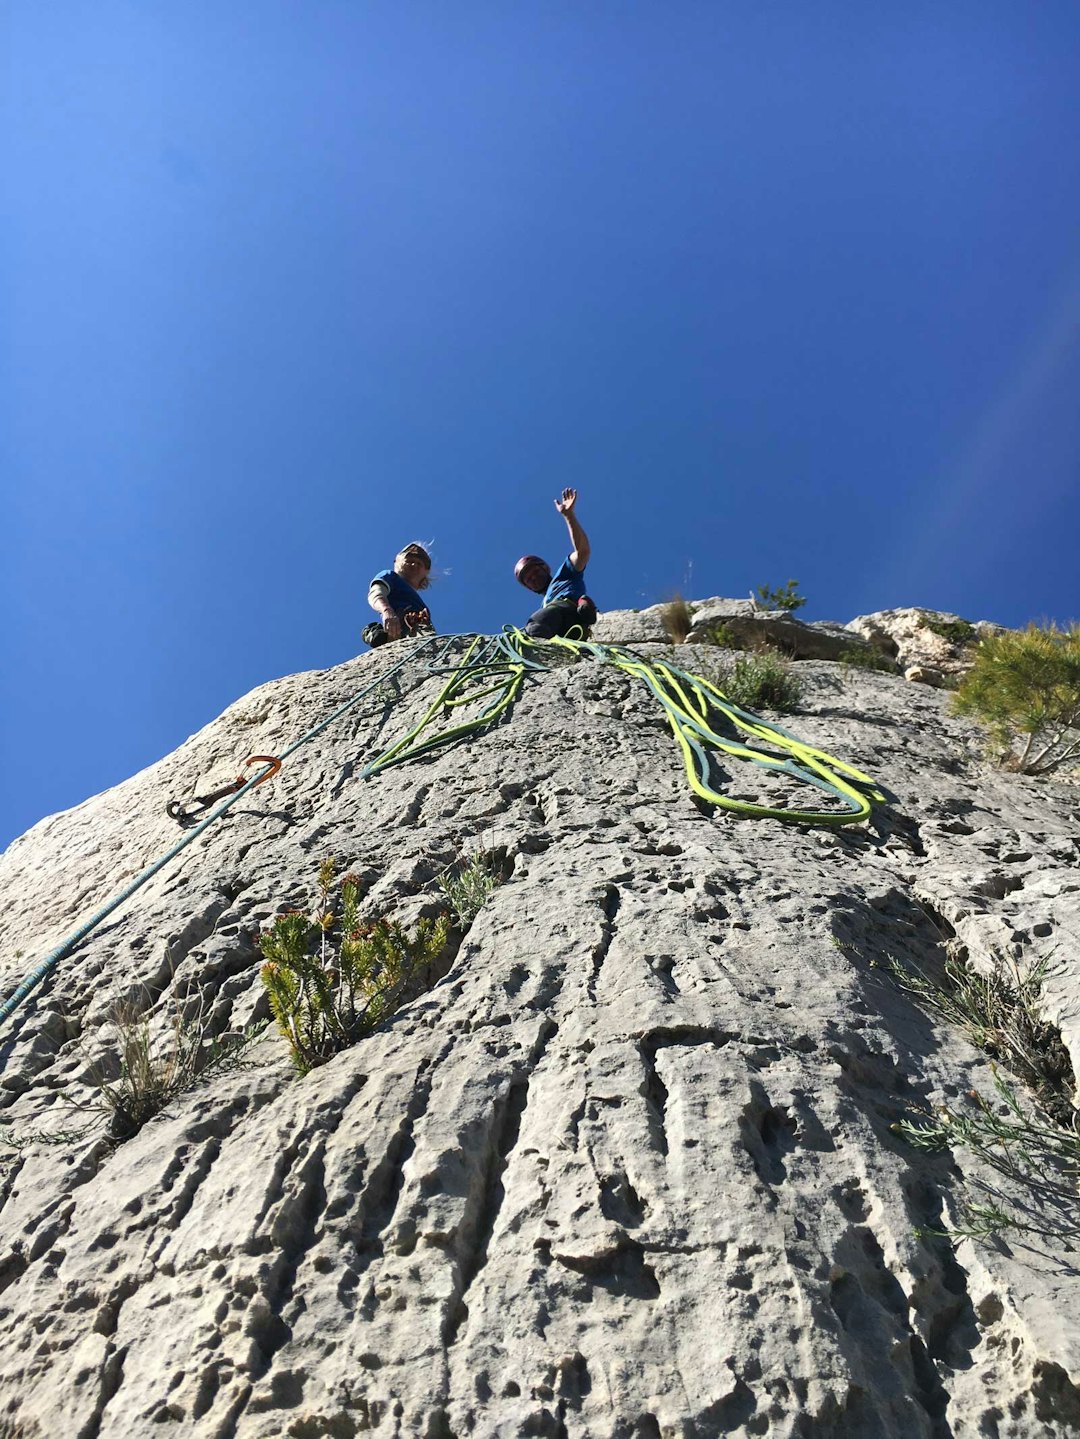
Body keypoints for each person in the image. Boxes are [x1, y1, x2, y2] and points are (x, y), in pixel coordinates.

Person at [514, 489, 598, 639]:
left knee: (535, 625)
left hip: (565, 612)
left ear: (545, 568)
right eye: (528, 579)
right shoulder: (544, 604)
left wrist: (569, 516)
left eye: (534, 572)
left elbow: (583, 551)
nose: (533, 578)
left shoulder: (565, 574)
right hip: (566, 630)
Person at [362, 542, 435, 648]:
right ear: (397, 562)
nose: (414, 564)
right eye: (410, 560)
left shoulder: (422, 606)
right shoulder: (390, 576)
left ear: (426, 572)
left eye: (419, 563)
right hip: (401, 627)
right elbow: (376, 593)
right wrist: (387, 611)